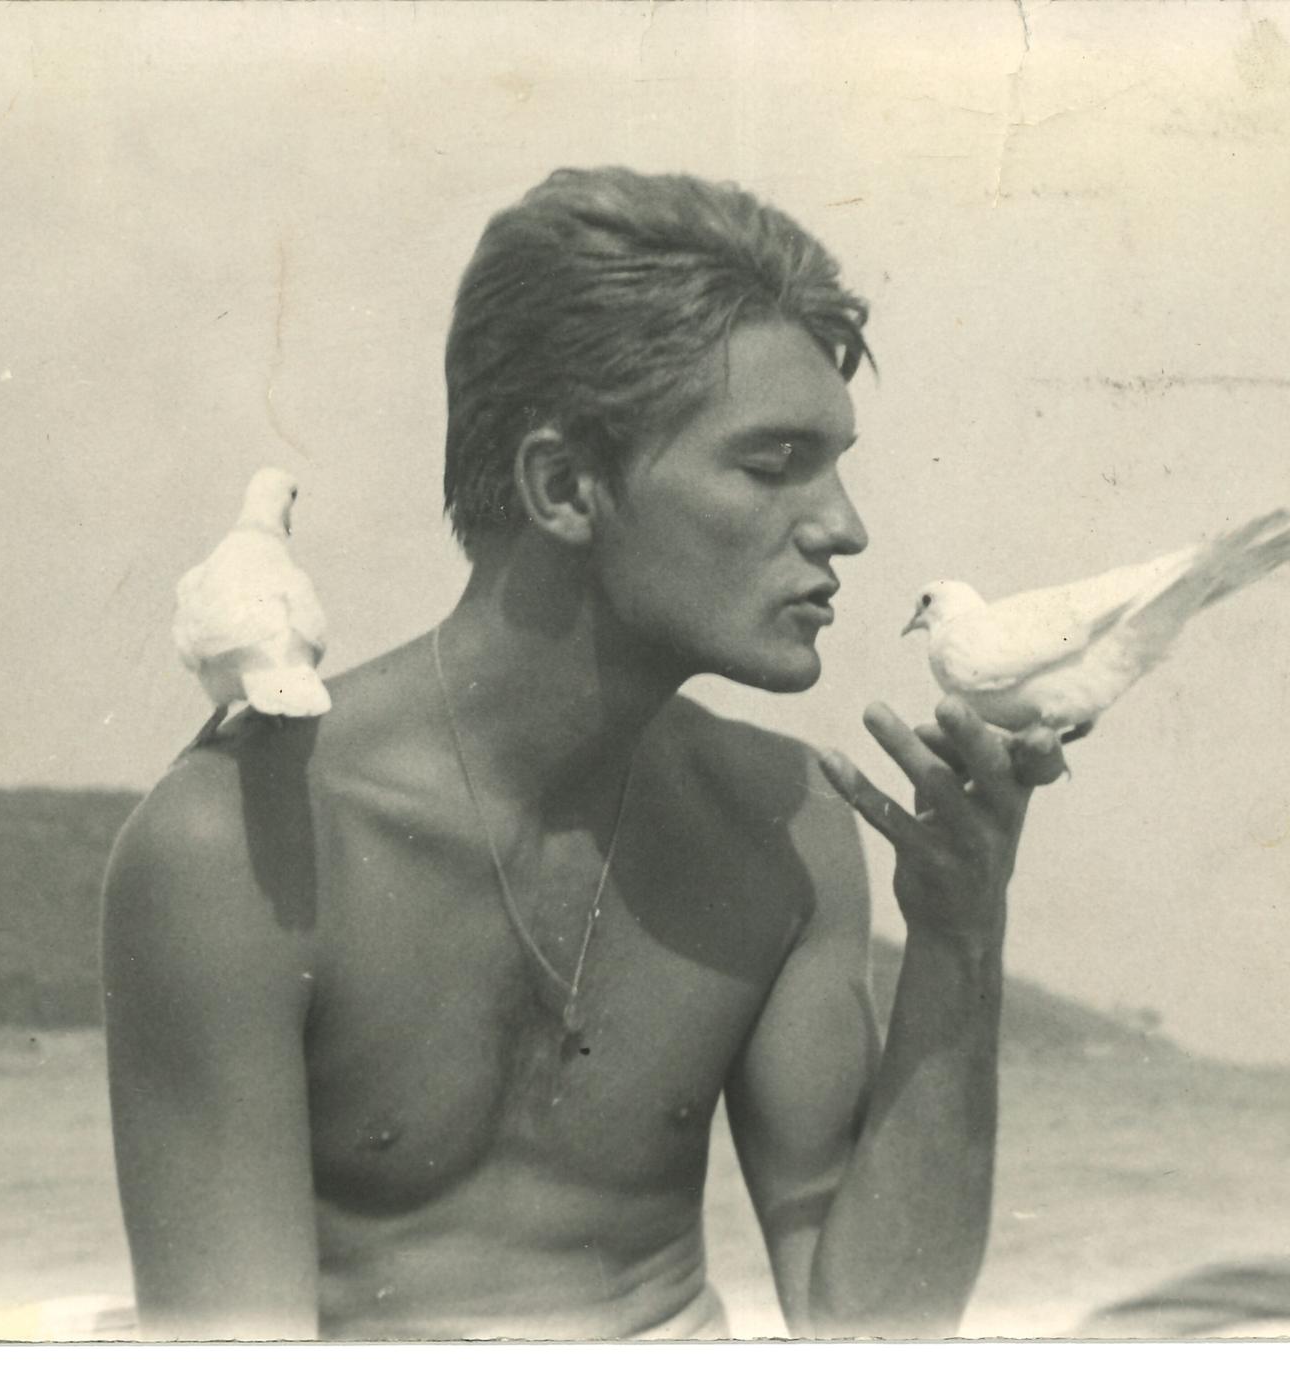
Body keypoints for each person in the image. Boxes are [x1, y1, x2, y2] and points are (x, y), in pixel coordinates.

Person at [101, 167, 1065, 1341]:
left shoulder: (787, 824)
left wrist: (963, 933)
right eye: (773, 463)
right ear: (564, 486)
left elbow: (868, 1327)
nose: (846, 525)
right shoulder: (242, 844)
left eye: (837, 462)